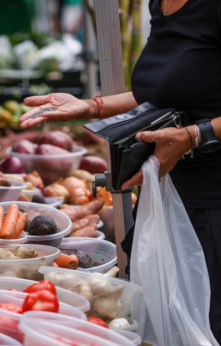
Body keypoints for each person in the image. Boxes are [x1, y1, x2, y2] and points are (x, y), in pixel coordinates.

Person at [19, 0, 221, 340]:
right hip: (172, 194)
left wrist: (195, 135)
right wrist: (91, 107)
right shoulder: (162, 5)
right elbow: (163, 90)